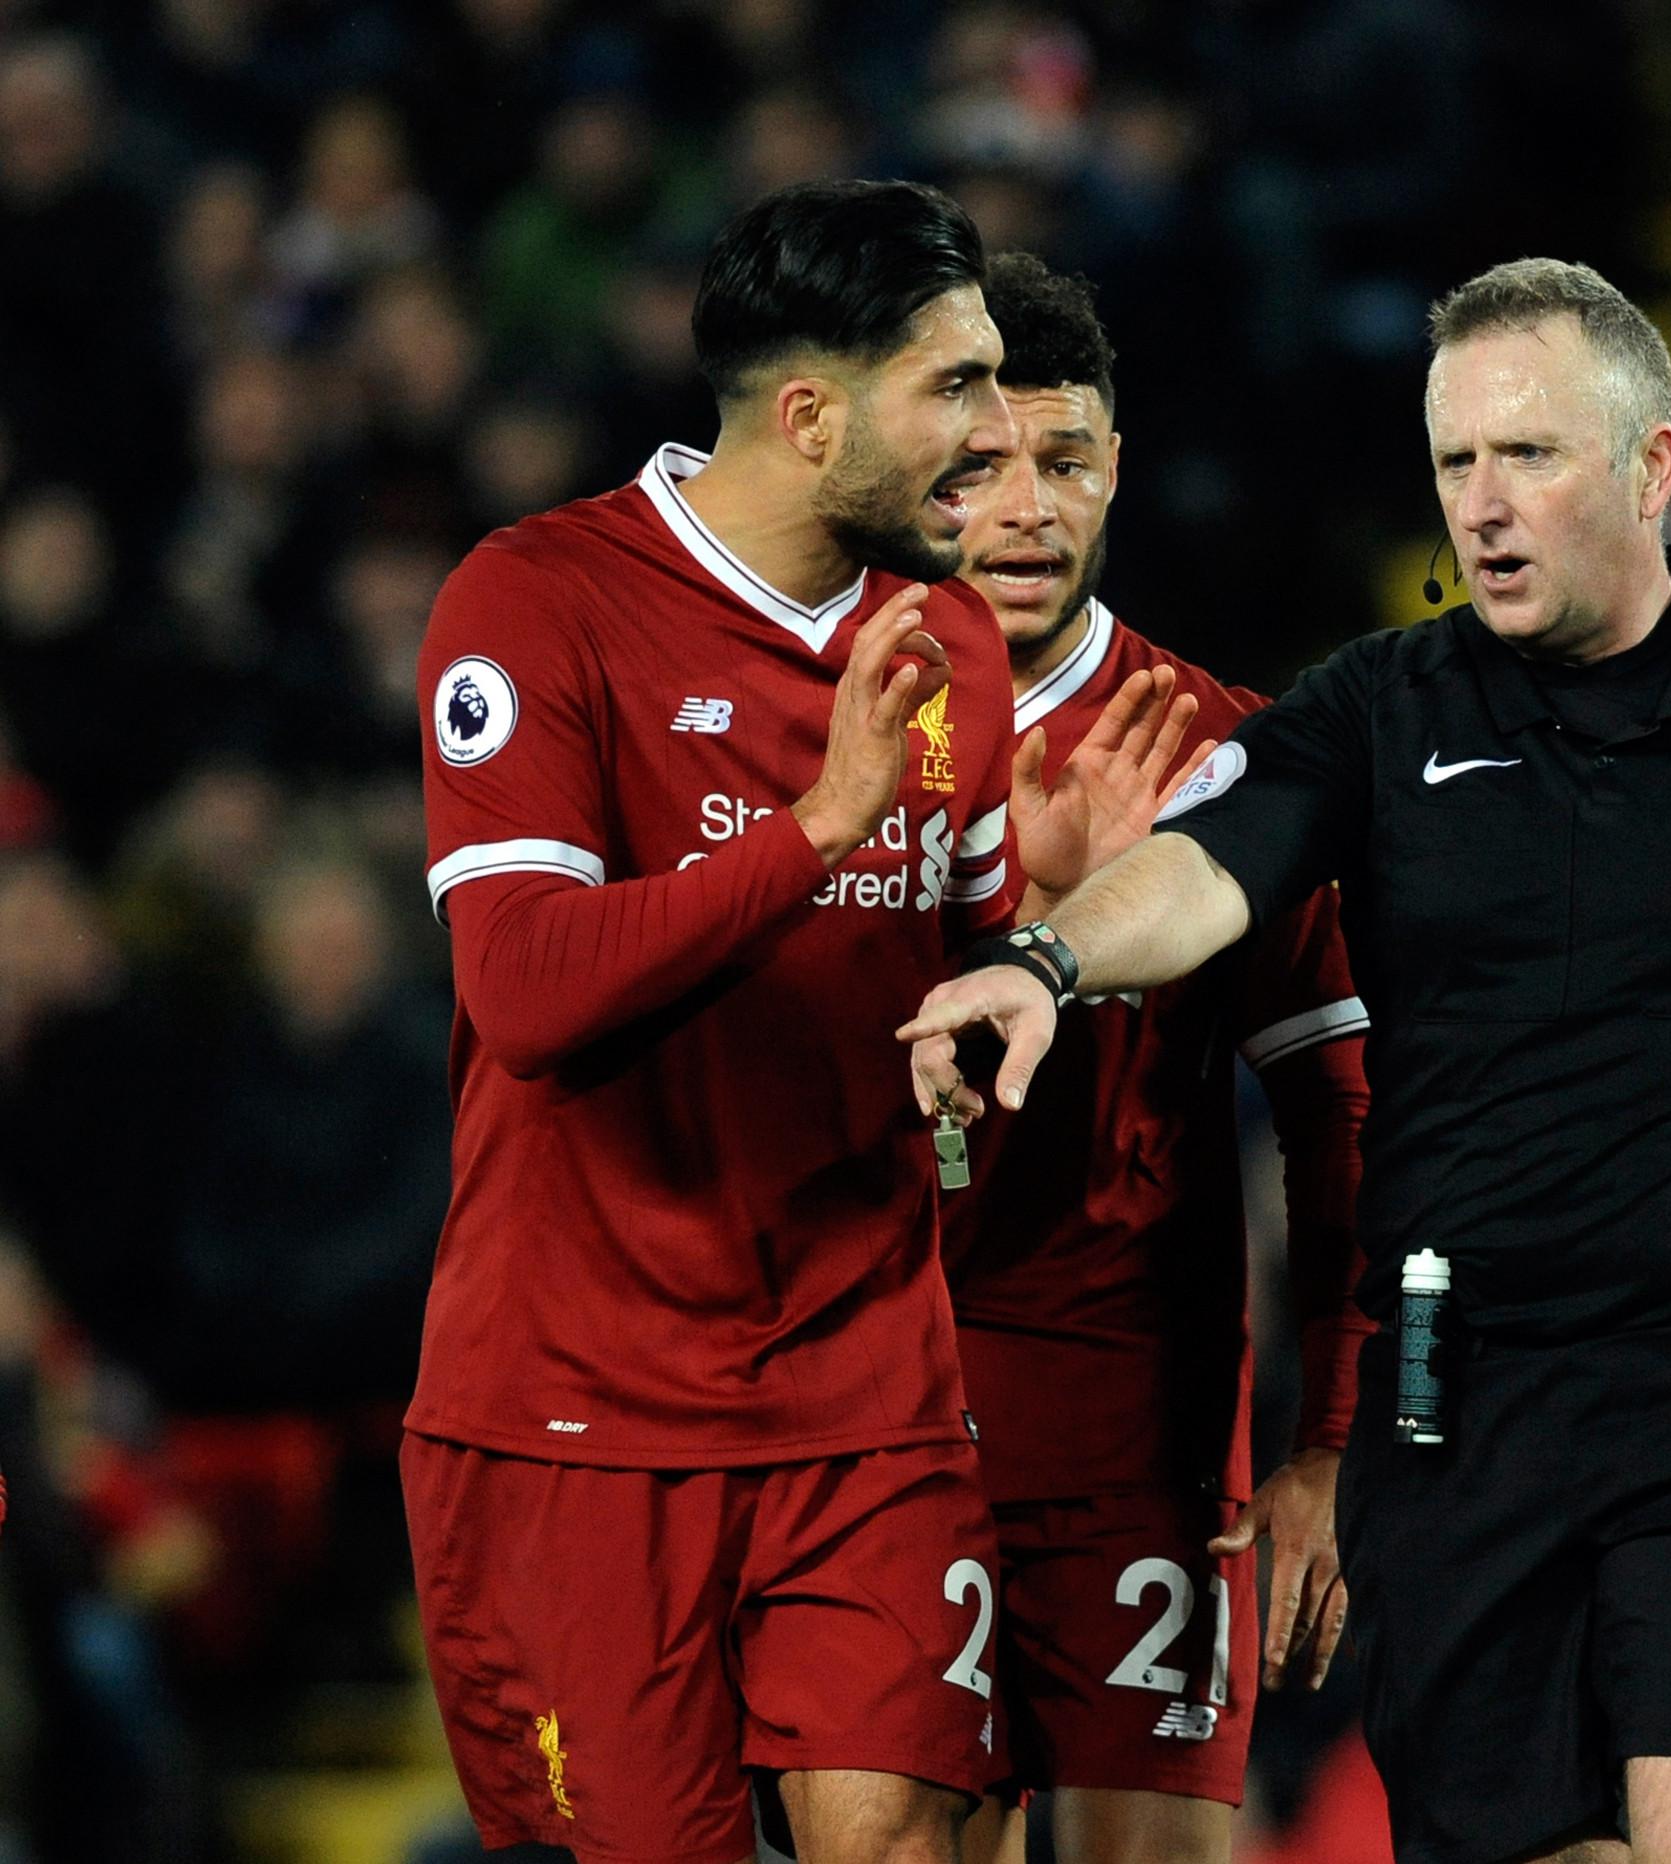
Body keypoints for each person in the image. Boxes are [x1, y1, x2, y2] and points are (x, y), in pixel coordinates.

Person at [901, 257, 1671, 1864]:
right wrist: (1046, 956)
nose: (1483, 505)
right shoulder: (1375, 710)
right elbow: (1203, 866)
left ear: (1651, 466)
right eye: (1457, 463)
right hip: (1454, 1411)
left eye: (1528, 456)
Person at [406, 179, 1118, 1864]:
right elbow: (523, 991)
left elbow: (946, 1028)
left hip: (864, 1390)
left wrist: (1042, 936)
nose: (991, 442)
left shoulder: (947, 638)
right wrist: (819, 827)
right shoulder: (534, 602)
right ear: (810, 418)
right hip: (579, 1415)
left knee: (906, 1841)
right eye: (952, 393)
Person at [941, 250, 1374, 1864]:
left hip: (1148, 1449)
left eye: (1067, 461)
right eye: (984, 465)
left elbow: (1339, 1109)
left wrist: (1332, 1435)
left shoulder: (1225, 751)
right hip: (894, 1433)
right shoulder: (831, 741)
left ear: (1118, 463)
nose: (1030, 508)